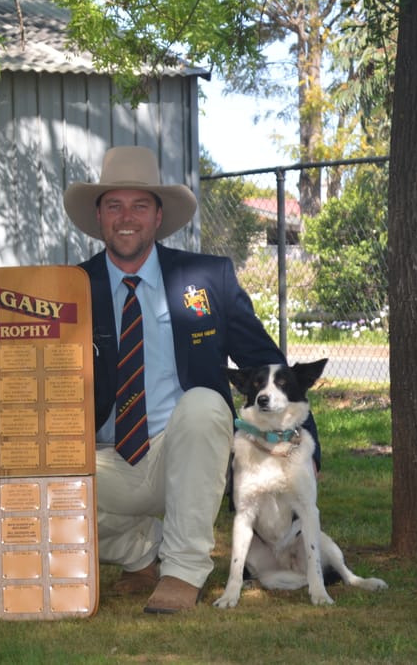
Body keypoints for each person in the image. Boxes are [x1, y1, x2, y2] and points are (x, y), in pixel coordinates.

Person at [64, 146, 318, 614]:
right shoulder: (69, 288)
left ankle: (182, 571)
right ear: (98, 216)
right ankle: (143, 552)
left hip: (184, 452)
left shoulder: (207, 278)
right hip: (104, 457)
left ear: (159, 216)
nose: (127, 218)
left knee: (203, 403)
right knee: (29, 484)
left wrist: (308, 442)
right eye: (114, 205)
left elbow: (264, 358)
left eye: (140, 205)